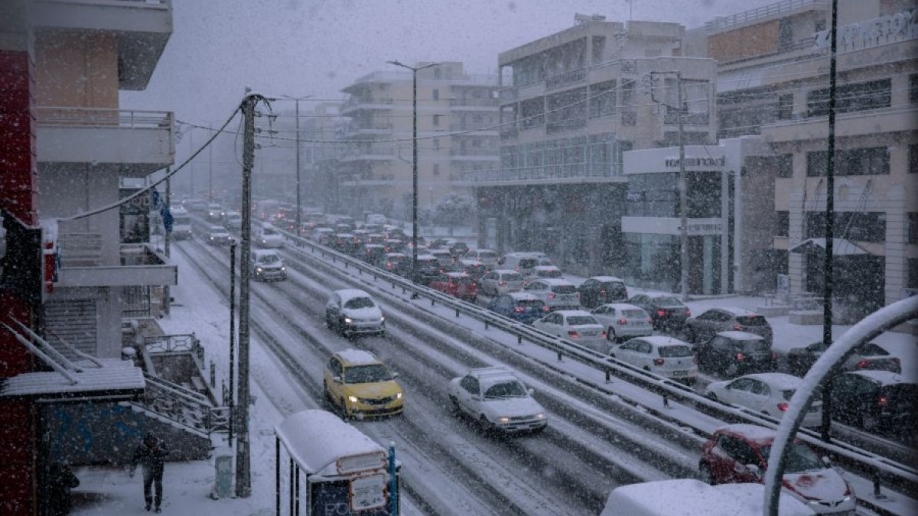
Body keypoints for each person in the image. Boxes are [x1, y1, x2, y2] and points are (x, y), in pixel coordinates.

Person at [130, 431, 169, 513]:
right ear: (146, 440)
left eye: (153, 441)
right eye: (149, 441)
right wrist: (132, 470)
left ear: (155, 440)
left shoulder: (160, 444)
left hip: (158, 469)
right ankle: (148, 504)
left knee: (158, 487)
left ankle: (157, 505)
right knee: (147, 487)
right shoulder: (142, 446)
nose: (151, 442)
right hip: (147, 470)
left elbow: (167, 452)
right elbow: (135, 458)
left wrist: (159, 451)